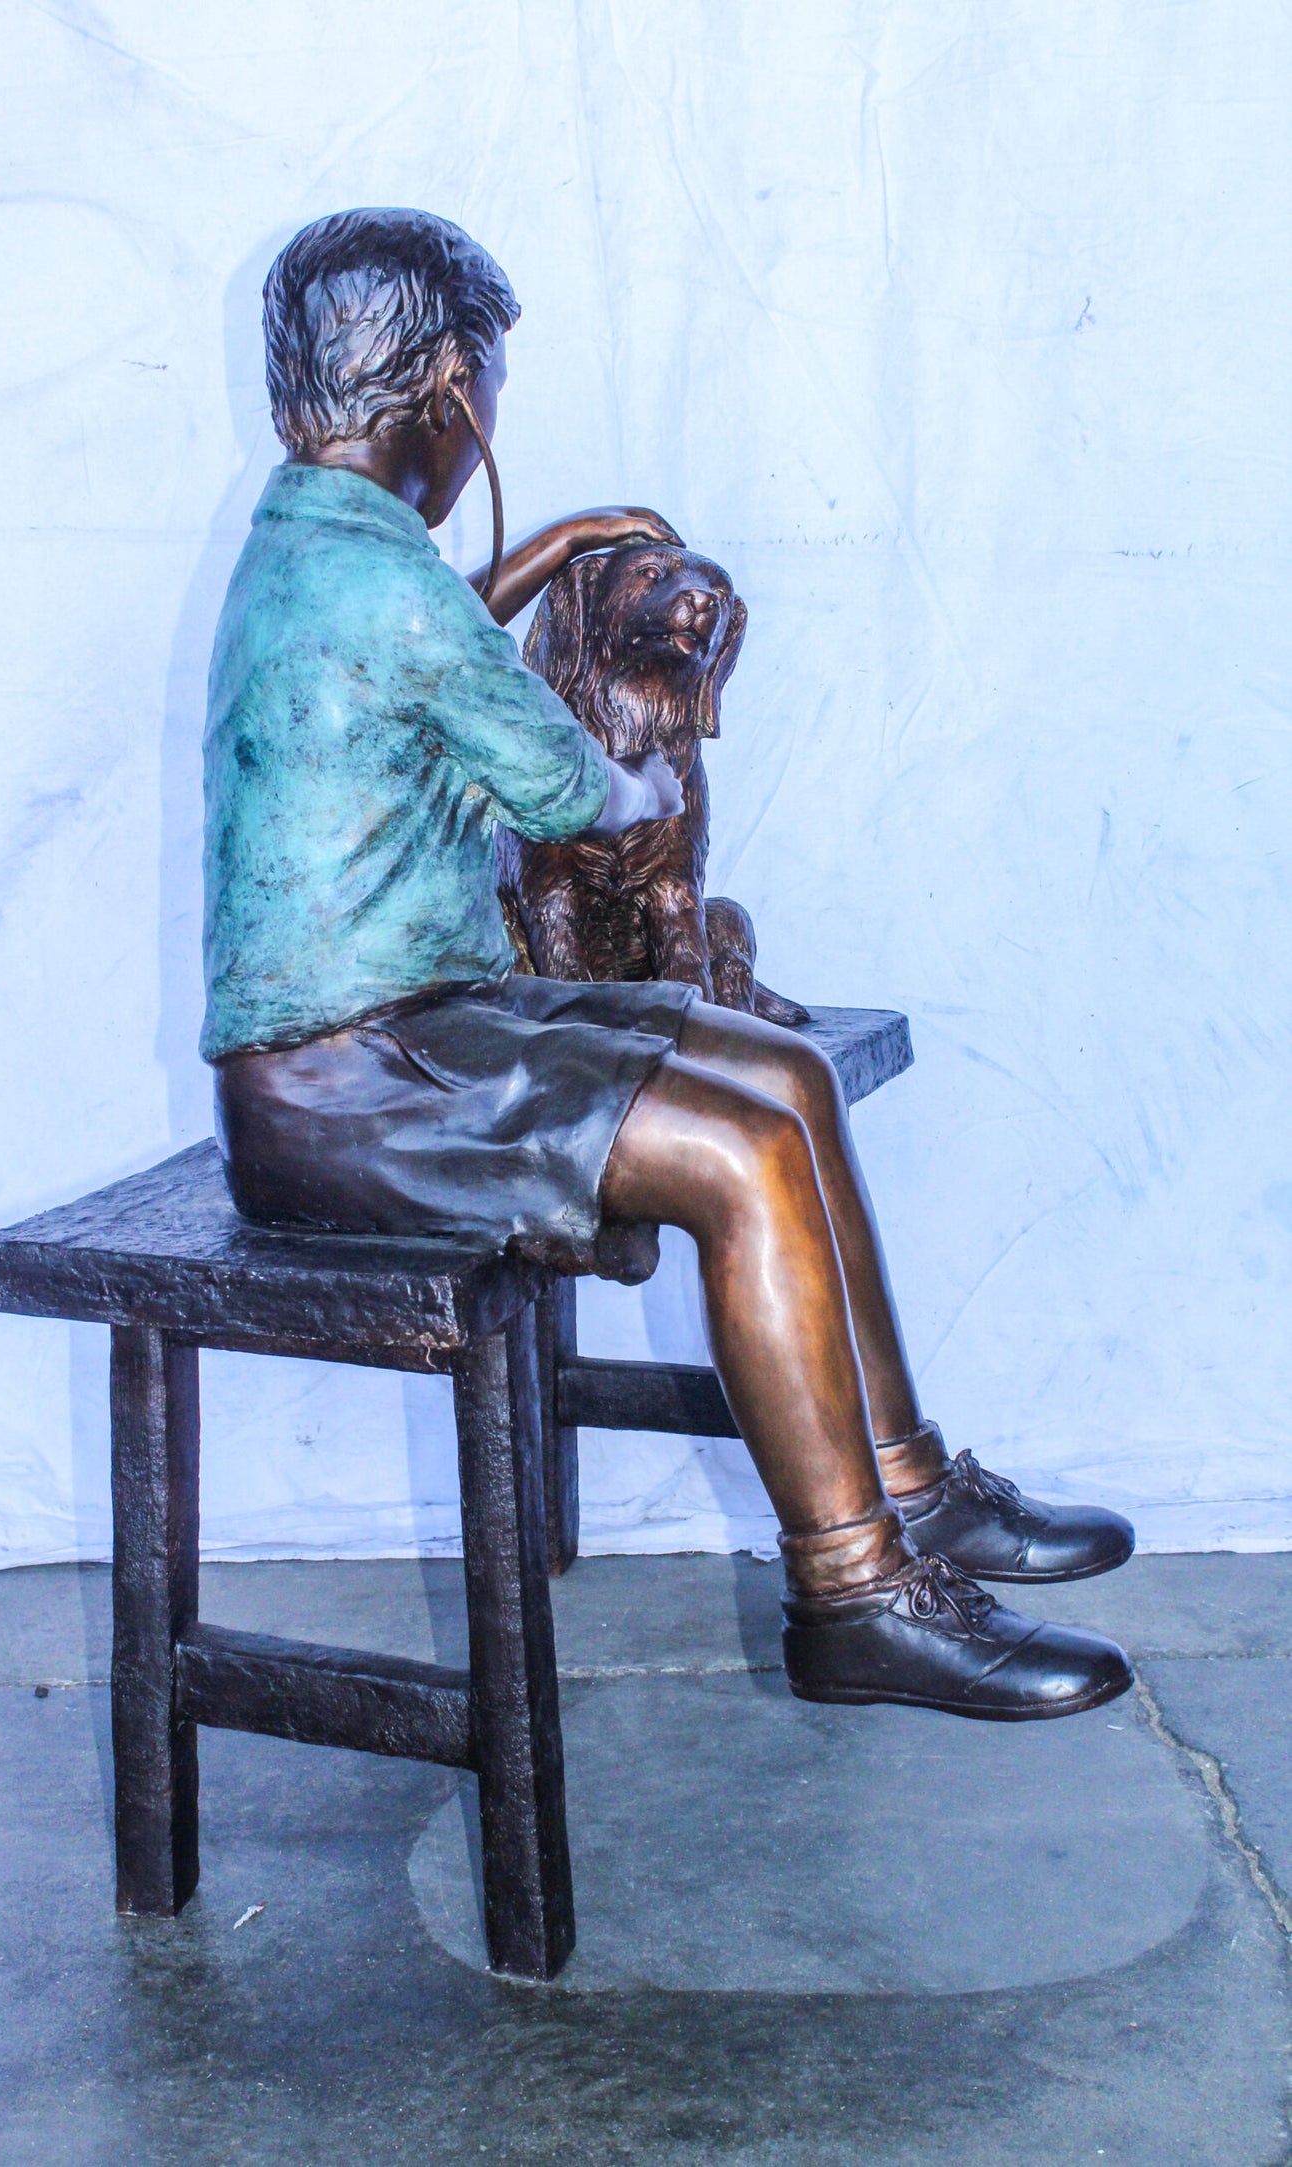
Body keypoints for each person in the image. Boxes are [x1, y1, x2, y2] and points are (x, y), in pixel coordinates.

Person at [202, 208, 1134, 1720]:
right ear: (447, 387)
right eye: (485, 393)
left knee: (780, 1071)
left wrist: (550, 554)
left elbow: (438, 638)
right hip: (343, 1091)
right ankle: (854, 1593)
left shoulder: (325, 552)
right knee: (739, 1147)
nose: (483, 422)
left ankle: (906, 1483)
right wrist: (641, 781)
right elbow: (575, 788)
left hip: (405, 1034)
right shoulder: (384, 589)